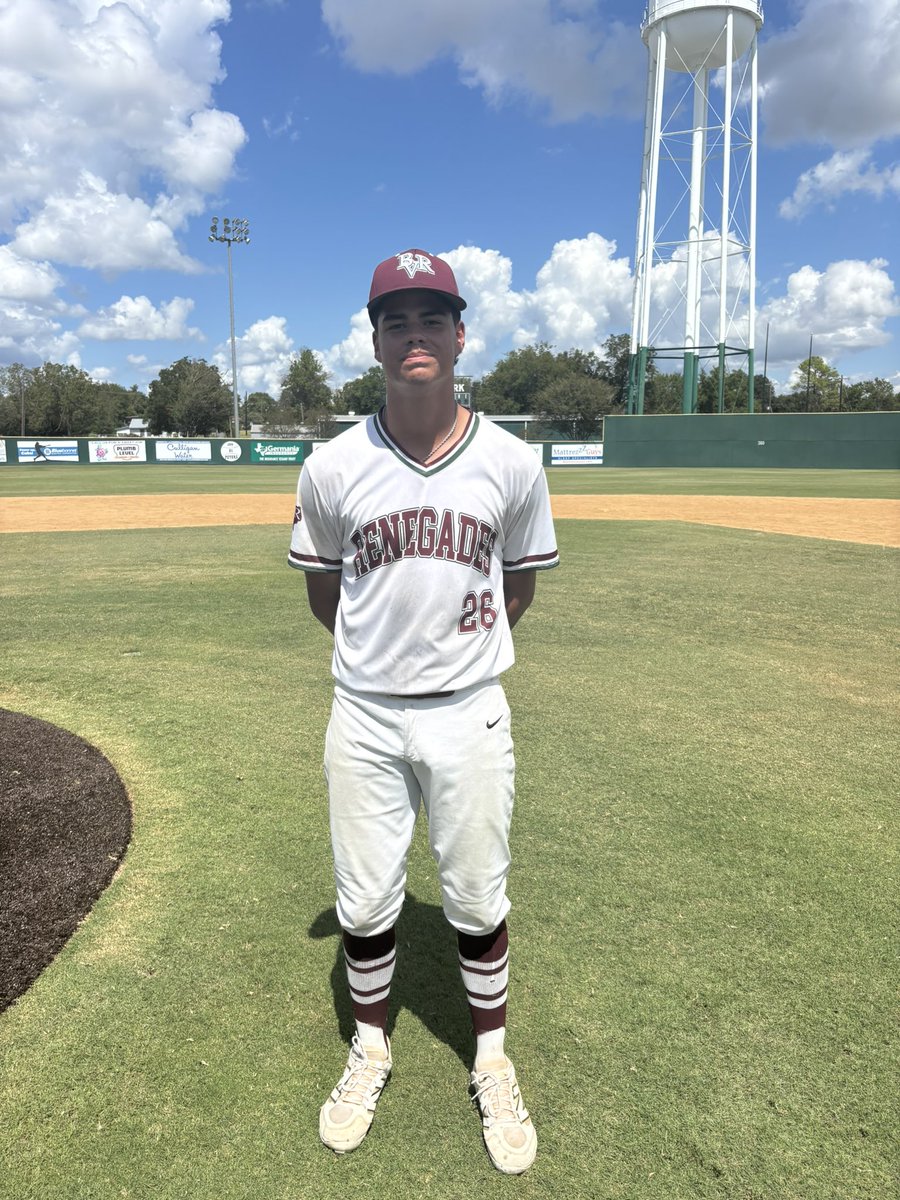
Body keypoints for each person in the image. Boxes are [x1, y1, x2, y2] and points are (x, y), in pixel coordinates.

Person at [289, 248, 559, 1175]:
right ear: (375, 342)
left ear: (459, 335)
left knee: (477, 896)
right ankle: (370, 1049)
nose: (416, 334)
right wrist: (387, 658)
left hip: (468, 710)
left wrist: (455, 658)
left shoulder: (513, 461)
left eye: (432, 318)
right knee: (365, 899)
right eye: (397, 320)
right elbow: (326, 594)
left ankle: (492, 1059)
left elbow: (518, 586)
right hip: (364, 714)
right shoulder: (331, 465)